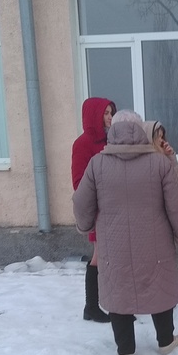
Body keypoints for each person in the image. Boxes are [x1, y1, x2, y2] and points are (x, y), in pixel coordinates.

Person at [72, 110, 178, 355]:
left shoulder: (97, 164)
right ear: (141, 129)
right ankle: (165, 341)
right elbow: (177, 204)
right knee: (159, 286)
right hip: (155, 242)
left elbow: (81, 202)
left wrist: (85, 226)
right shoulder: (158, 163)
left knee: (119, 290)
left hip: (113, 244)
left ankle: (125, 350)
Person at [71, 97, 116, 323]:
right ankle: (91, 306)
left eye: (111, 113)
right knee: (100, 256)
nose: (110, 117)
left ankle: (116, 305)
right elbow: (79, 182)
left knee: (113, 257)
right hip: (99, 210)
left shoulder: (112, 140)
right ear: (94, 115)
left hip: (116, 208)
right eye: (105, 113)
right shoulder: (82, 143)